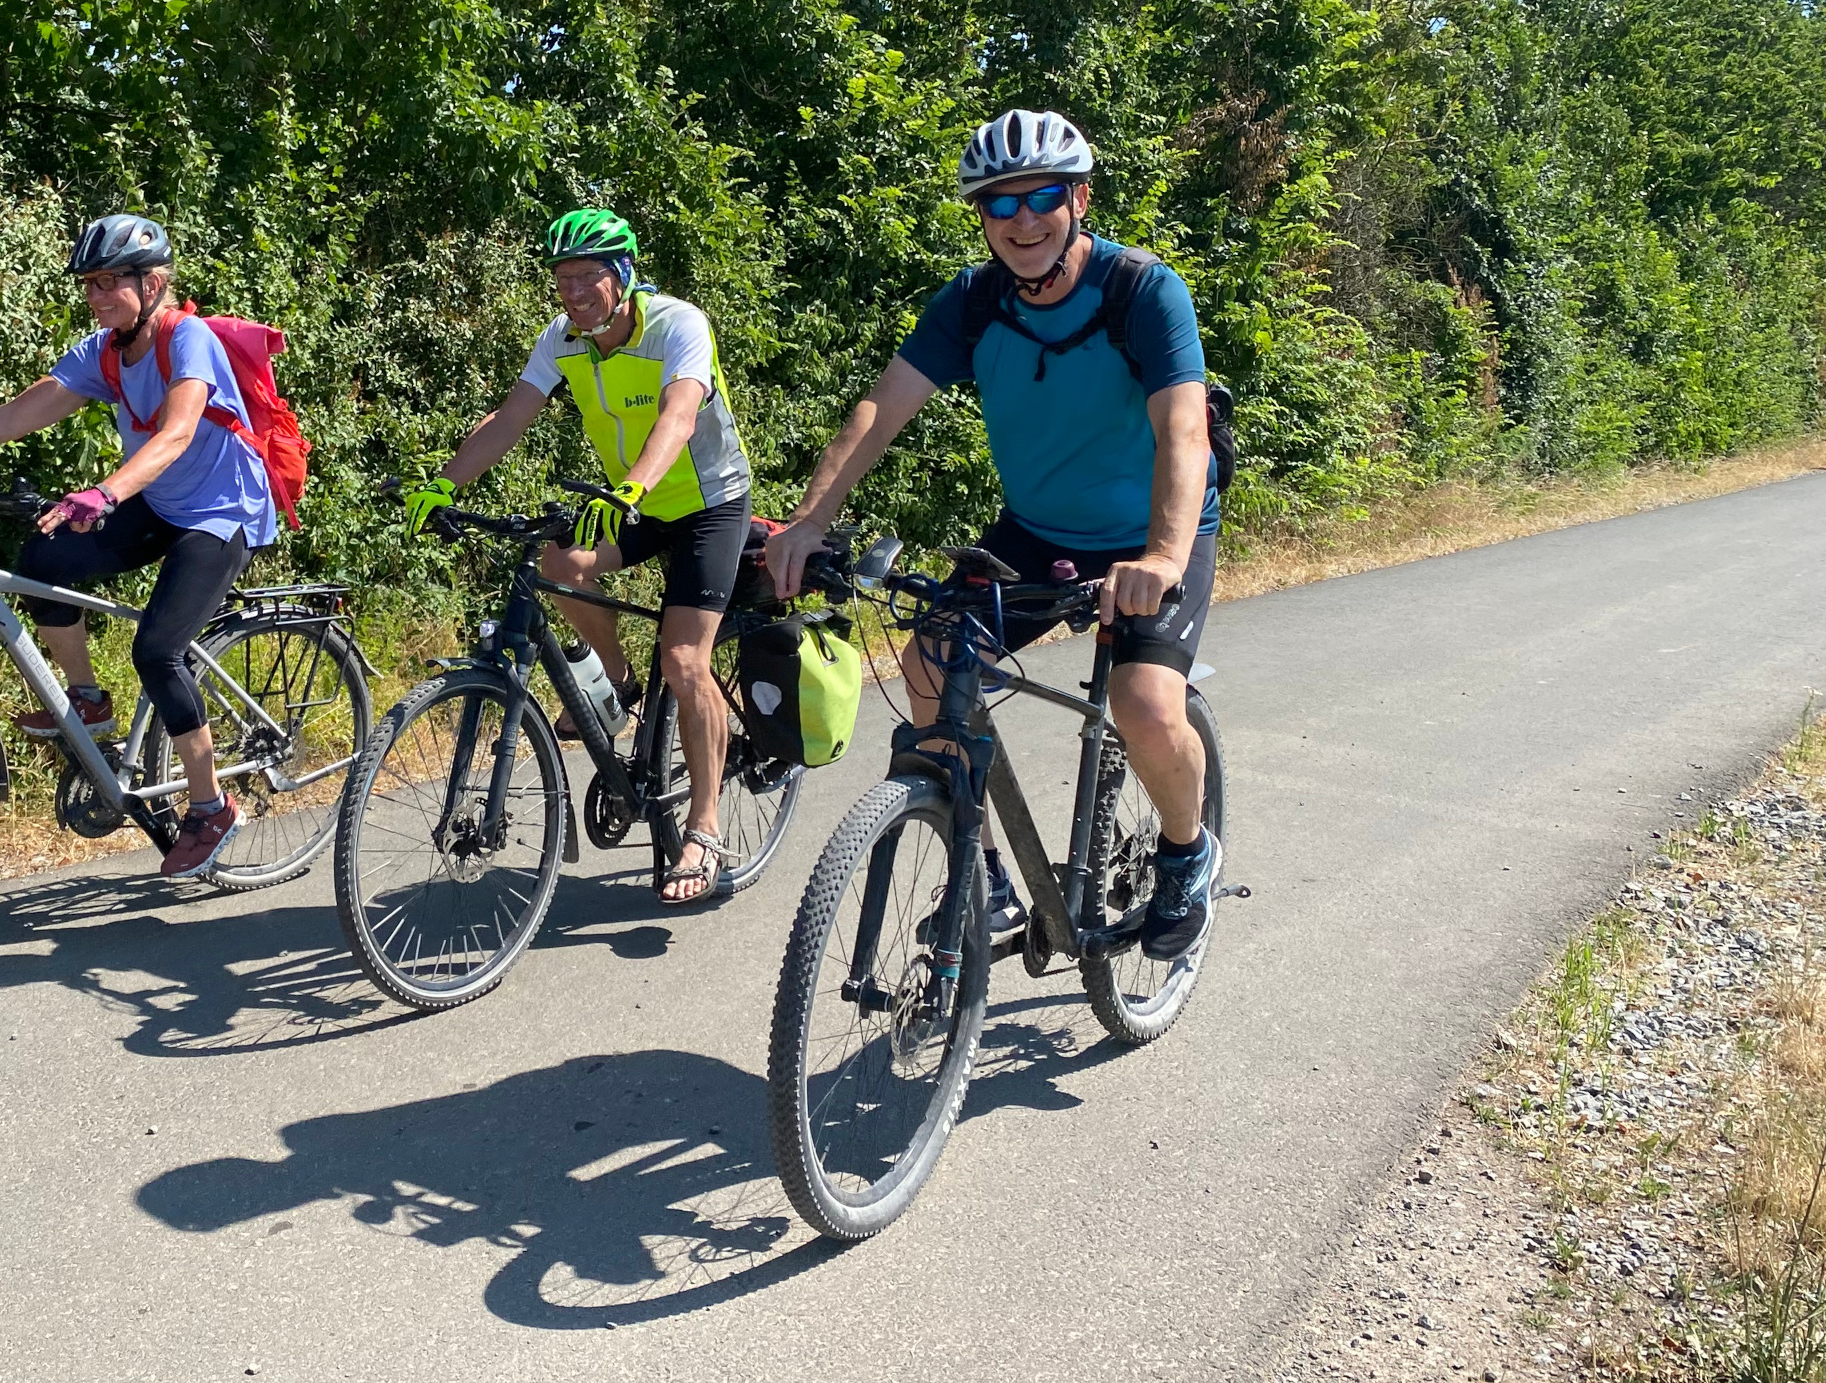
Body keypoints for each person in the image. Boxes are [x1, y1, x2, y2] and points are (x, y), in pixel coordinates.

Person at [763, 108, 1222, 960]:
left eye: (1042, 196)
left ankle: (1187, 851)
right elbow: (879, 410)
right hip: (1037, 531)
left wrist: (1162, 555)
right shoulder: (974, 304)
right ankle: (986, 880)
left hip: (1153, 534)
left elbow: (1184, 432)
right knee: (929, 662)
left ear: (1080, 199)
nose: (1022, 219)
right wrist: (809, 520)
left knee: (1143, 705)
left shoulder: (1143, 291)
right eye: (1000, 202)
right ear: (981, 215)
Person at [0, 214, 278, 877]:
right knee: (42, 558)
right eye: (90, 283)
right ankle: (88, 700)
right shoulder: (105, 351)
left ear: (151, 283)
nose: (96, 295)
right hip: (160, 500)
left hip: (223, 513)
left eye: (109, 282)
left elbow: (176, 433)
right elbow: (17, 414)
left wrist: (105, 492)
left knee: (157, 650)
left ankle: (210, 805)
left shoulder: (187, 338)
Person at [402, 210, 754, 904]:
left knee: (685, 660)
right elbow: (511, 416)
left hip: (707, 503)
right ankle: (618, 685)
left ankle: (705, 826)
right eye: (562, 278)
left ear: (620, 275)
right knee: (558, 565)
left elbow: (679, 416)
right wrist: (444, 482)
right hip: (636, 502)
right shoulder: (561, 340)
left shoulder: (676, 325)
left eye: (586, 275)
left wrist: (630, 489)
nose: (572, 291)